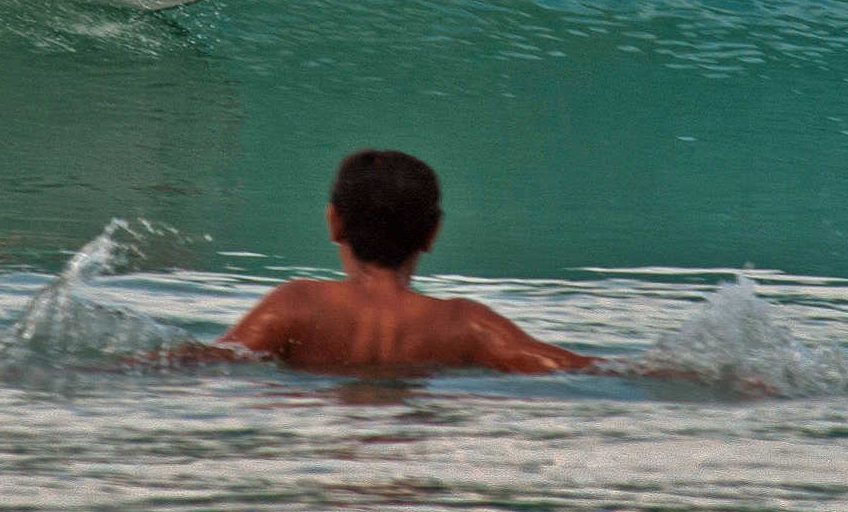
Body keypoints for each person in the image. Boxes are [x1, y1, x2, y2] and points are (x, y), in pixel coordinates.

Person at [216, 149, 599, 373]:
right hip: (415, 451)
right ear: (432, 233)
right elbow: (567, 368)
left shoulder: (297, 304)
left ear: (334, 222)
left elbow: (211, 362)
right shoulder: (464, 323)